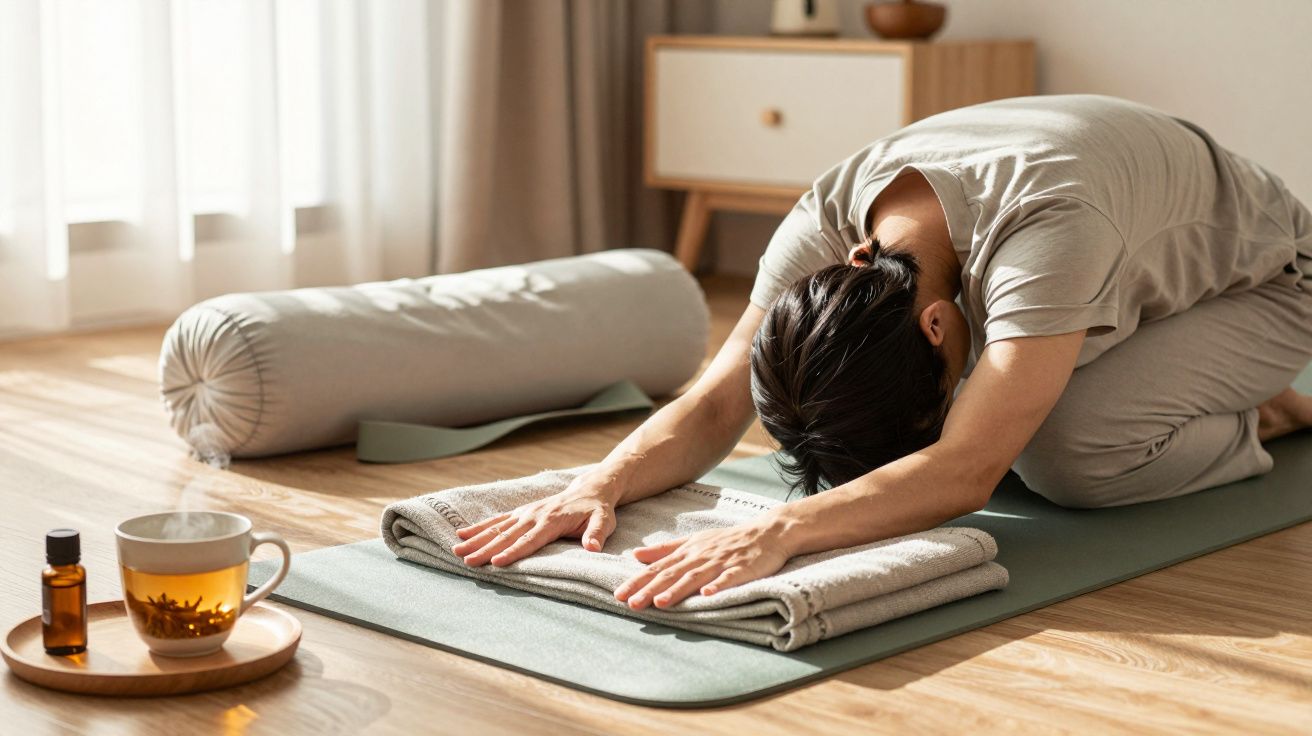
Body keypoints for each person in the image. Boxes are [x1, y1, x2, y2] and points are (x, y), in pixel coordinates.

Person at [452, 94, 1312, 611]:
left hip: (1272, 285)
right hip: (1116, 261)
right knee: (1000, 415)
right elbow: (719, 399)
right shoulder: (826, 231)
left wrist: (782, 529)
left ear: (938, 328)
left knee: (1063, 455)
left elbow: (967, 471)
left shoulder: (1047, 234)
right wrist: (593, 485)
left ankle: (1270, 411)